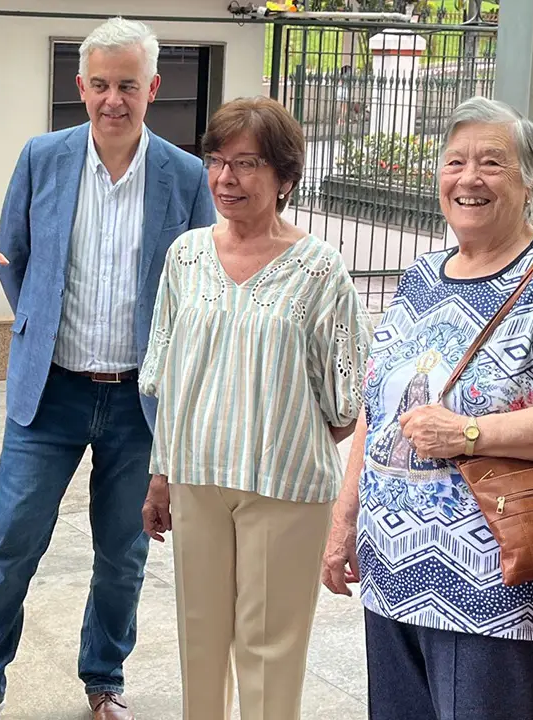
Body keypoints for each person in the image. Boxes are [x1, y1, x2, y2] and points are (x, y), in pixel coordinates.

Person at [0, 17, 216, 720]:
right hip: (53, 394)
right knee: (10, 543)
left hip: (140, 400)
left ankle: (105, 679)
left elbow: (195, 281)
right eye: (99, 84)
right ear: (80, 87)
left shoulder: (185, 175)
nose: (112, 99)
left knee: (123, 555)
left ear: (152, 88)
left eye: (127, 85)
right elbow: (13, 254)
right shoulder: (42, 157)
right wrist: (41, 327)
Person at [322, 96, 533, 720]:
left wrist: (471, 433)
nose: (469, 178)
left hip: (494, 585)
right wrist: (345, 519)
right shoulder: (421, 274)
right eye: (455, 162)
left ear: (530, 181)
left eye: (492, 162)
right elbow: (378, 409)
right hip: (391, 572)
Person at [138, 96, 370, 720]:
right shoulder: (185, 257)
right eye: (216, 160)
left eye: (246, 163)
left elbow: (350, 397)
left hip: (285, 486)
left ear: (285, 176)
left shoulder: (319, 269)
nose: (226, 178)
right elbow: (167, 376)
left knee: (269, 654)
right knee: (200, 642)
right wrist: (161, 476)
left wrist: (278, 427)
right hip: (196, 481)